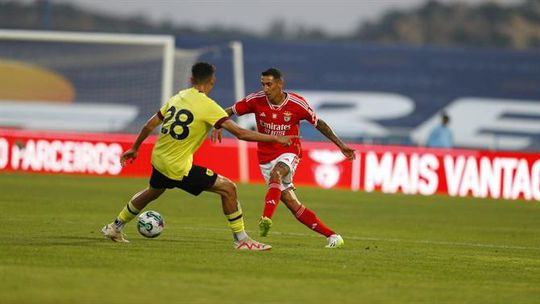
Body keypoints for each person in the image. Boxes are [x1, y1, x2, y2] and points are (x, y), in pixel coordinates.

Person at [102, 62, 296, 251]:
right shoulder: (208, 106)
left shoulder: (178, 97)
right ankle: (242, 240)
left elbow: (149, 125)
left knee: (153, 191)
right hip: (177, 167)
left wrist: (135, 148)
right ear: (212, 81)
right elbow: (240, 133)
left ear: (191, 79)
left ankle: (115, 226)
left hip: (160, 158)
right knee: (228, 189)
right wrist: (275, 138)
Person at [212, 68, 356, 248]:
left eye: (269, 84)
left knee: (276, 173)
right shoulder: (255, 100)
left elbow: (318, 123)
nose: (265, 88)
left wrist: (340, 145)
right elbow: (229, 110)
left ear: (280, 84)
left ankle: (266, 218)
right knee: (291, 202)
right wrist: (218, 124)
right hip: (265, 157)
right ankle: (333, 236)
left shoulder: (297, 103)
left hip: (290, 152)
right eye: (263, 84)